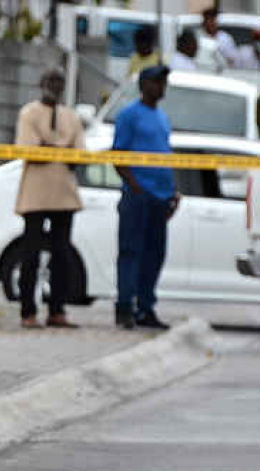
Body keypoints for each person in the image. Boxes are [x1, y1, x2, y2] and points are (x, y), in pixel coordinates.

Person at [13, 67, 86, 329]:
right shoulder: (29, 113)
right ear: (41, 83)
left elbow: (77, 156)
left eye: (59, 81)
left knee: (62, 254)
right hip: (35, 193)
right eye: (51, 81)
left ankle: (57, 310)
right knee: (31, 254)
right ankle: (27, 311)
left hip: (64, 195)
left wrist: (49, 148)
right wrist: (59, 150)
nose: (55, 86)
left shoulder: (72, 117)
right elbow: (30, 151)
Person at [111, 65, 180, 330]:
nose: (161, 87)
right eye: (157, 81)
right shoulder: (129, 115)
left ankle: (146, 306)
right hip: (138, 196)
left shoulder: (161, 117)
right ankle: (125, 307)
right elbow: (118, 156)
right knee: (131, 252)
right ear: (144, 85)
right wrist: (135, 186)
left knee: (155, 254)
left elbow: (164, 155)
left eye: (164, 82)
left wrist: (172, 191)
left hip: (160, 197)